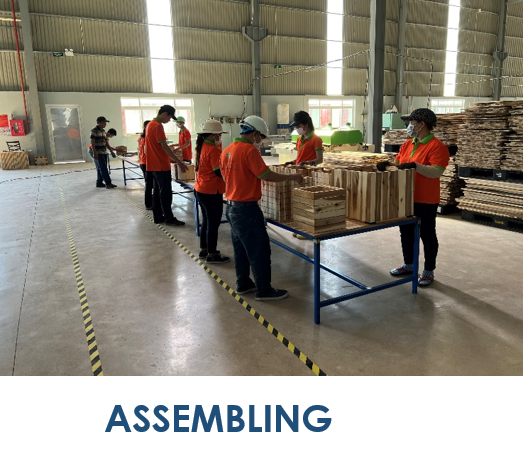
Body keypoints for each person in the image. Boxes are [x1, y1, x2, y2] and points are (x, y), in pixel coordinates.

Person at [221, 115, 304, 302]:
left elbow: (227, 176)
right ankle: (264, 290)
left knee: (241, 249)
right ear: (254, 134)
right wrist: (292, 177)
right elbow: (266, 175)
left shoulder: (227, 150)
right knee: (259, 250)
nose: (260, 141)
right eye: (261, 137)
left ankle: (243, 283)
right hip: (247, 210)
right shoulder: (249, 150)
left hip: (231, 207)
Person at [376, 108, 450, 288]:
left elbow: (436, 172)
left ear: (421, 124)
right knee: (406, 232)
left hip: (426, 199)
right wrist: (387, 165)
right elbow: (400, 164)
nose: (409, 126)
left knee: (427, 234)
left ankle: (428, 270)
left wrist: (416, 166)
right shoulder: (408, 144)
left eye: (411, 122)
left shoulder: (437, 147)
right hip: (407, 196)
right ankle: (409, 264)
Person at [194, 119, 231, 264]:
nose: (220, 137)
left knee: (206, 221)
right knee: (213, 223)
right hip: (211, 191)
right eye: (219, 135)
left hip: (201, 189)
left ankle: (204, 249)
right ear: (213, 135)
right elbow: (217, 172)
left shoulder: (202, 146)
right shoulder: (213, 149)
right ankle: (212, 254)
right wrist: (232, 176)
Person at [146, 105, 188, 226]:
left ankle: (158, 216)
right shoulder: (157, 126)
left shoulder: (150, 125)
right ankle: (169, 218)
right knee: (165, 193)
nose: (169, 120)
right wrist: (178, 161)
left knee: (157, 192)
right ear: (164, 114)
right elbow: (164, 146)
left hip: (153, 165)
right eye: (169, 118)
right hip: (161, 165)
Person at [90, 118, 117, 189]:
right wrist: (94, 152)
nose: (105, 124)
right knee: (103, 168)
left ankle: (99, 183)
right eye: (103, 123)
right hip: (98, 152)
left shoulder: (103, 131)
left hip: (104, 152)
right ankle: (108, 183)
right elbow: (92, 142)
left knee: (101, 167)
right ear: (98, 122)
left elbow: (106, 143)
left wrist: (111, 151)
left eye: (105, 123)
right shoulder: (94, 130)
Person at [138, 121, 153, 210]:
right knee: (149, 185)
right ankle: (149, 204)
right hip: (147, 163)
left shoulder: (140, 138)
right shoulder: (147, 138)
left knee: (149, 184)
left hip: (143, 162)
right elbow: (147, 152)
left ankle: (150, 202)